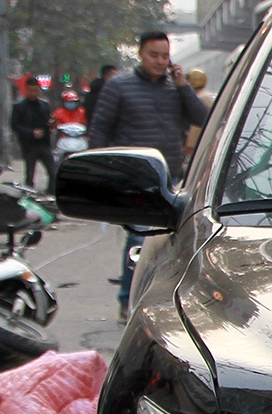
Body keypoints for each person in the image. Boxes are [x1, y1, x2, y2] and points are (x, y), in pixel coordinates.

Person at [89, 31, 209, 318]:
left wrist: (182, 87)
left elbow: (201, 119)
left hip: (172, 177)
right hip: (136, 179)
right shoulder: (119, 87)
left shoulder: (175, 89)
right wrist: (101, 173)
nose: (159, 61)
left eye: (164, 56)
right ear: (140, 54)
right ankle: (128, 301)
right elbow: (99, 130)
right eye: (153, 55)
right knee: (140, 240)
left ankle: (162, 300)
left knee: (175, 241)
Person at [10, 76, 57, 188]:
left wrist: (51, 124)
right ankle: (29, 193)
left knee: (52, 171)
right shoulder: (19, 107)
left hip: (44, 144)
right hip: (29, 145)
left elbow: (48, 121)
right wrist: (31, 132)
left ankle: (50, 193)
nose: (34, 93)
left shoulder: (44, 105)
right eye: (31, 91)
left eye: (36, 91)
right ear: (27, 90)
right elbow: (15, 126)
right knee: (30, 173)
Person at [182, 67, 215, 163]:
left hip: (202, 151)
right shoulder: (207, 96)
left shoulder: (199, 99)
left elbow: (195, 129)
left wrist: (188, 148)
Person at [81, 63, 118, 127]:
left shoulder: (97, 88)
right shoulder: (103, 91)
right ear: (107, 74)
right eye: (114, 75)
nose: (116, 77)